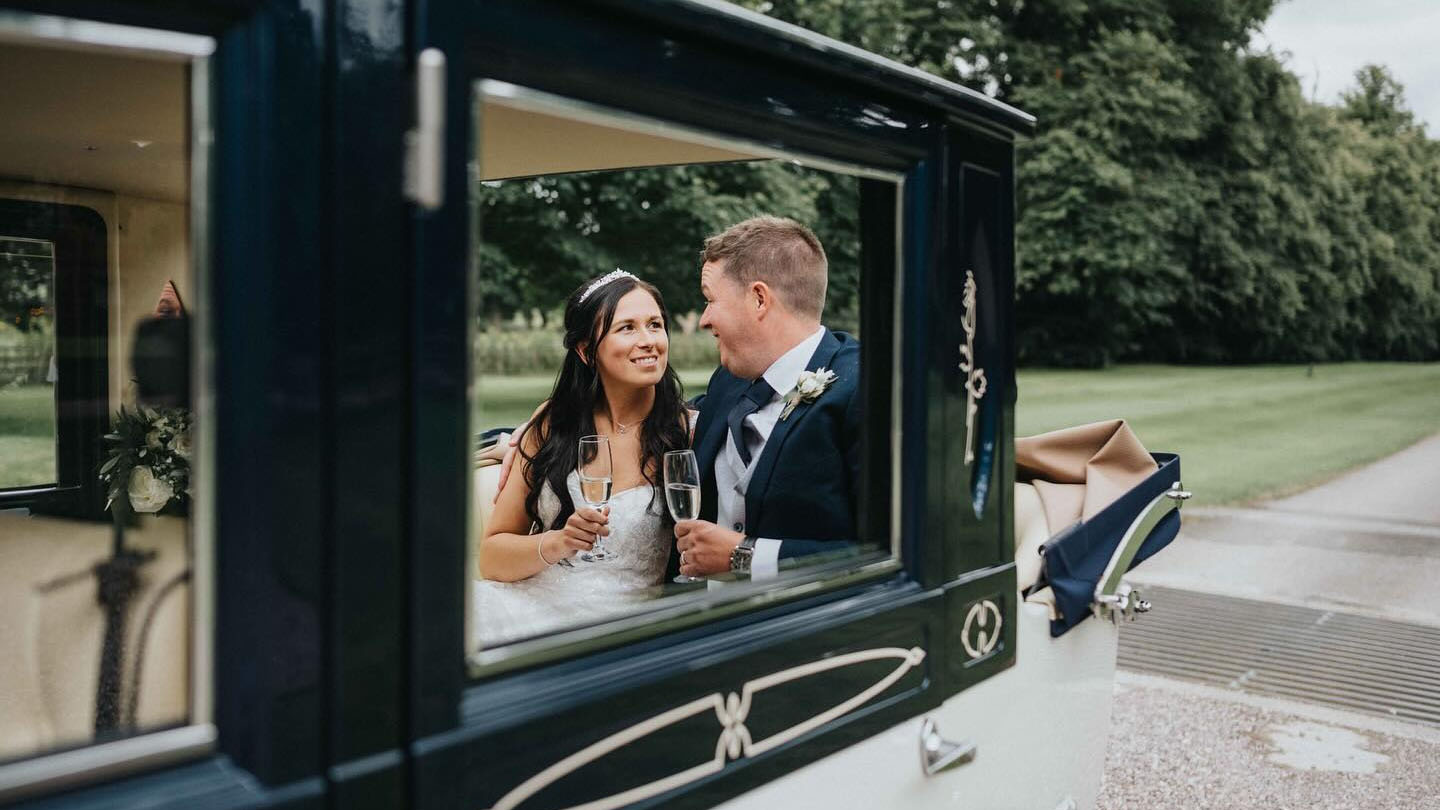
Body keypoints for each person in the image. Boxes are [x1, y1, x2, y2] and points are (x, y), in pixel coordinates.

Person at [473, 270, 691, 646]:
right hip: (526, 606)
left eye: (655, 325)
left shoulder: (686, 432)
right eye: (627, 328)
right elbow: (491, 557)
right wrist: (558, 542)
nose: (648, 341)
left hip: (620, 630)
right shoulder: (553, 424)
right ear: (587, 350)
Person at [673, 215, 861, 580]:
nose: (703, 320)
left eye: (710, 301)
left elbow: (892, 552)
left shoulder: (865, 391)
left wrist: (744, 557)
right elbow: (682, 413)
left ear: (759, 299)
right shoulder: (729, 380)